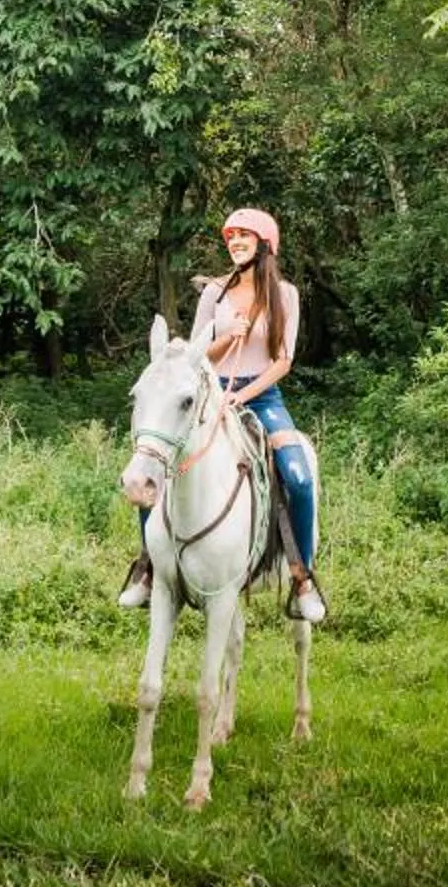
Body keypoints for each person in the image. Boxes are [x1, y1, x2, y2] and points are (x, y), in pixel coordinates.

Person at [120, 206, 326, 624]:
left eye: (243, 237)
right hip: (213, 392)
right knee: (156, 460)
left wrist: (244, 396)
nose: (234, 243)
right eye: (231, 238)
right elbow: (197, 354)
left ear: (264, 245)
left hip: (264, 397)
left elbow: (283, 359)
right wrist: (224, 337)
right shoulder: (214, 292)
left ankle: (301, 577)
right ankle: (149, 567)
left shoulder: (285, 295)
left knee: (298, 475)